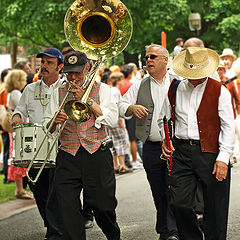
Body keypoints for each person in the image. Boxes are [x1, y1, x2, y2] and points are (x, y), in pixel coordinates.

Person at [42, 51, 120, 240]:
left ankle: (113, 235)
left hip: (97, 154)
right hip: (68, 155)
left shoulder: (102, 89)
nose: (73, 77)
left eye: (77, 72)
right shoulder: (58, 91)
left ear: (88, 68)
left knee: (103, 206)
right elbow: (47, 126)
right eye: (69, 73)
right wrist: (55, 120)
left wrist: (89, 100)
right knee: (67, 208)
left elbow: (112, 120)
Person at [162, 47, 234, 240]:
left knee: (215, 208)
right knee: (179, 203)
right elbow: (167, 117)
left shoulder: (220, 91)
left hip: (211, 153)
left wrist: (223, 159)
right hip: (182, 152)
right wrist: (165, 139)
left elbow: (228, 127)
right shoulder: (175, 88)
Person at [119, 43, 179, 240]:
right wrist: (131, 108)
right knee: (158, 190)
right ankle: (166, 230)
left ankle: (174, 230)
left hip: (176, 147)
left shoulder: (178, 81)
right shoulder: (139, 85)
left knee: (176, 189)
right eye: (146, 58)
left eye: (153, 57)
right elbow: (121, 105)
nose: (148, 60)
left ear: (165, 59)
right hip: (152, 146)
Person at [11, 47, 64, 240]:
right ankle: (52, 225)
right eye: (42, 62)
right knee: (39, 190)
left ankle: (55, 231)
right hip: (35, 150)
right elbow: (20, 110)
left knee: (55, 192)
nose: (44, 66)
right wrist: (16, 117)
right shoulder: (30, 88)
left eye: (49, 63)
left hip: (59, 148)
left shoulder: (65, 88)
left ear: (60, 66)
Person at [4, 69, 32, 199]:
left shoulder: (11, 92)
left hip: (16, 128)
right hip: (19, 128)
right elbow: (24, 108)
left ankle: (20, 189)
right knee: (19, 157)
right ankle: (20, 189)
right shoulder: (15, 93)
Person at [108, 71, 132, 174]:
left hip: (110, 119)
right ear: (118, 80)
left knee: (113, 141)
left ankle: (115, 165)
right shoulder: (115, 91)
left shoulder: (109, 90)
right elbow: (115, 105)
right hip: (116, 119)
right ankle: (122, 165)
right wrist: (120, 119)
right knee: (122, 140)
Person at [0, 68, 12, 184]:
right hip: (6, 124)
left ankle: (7, 175)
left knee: (7, 150)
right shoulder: (5, 90)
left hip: (4, 124)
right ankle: (7, 176)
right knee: (8, 151)